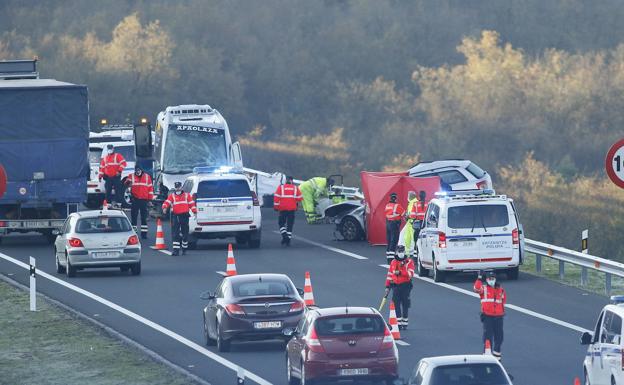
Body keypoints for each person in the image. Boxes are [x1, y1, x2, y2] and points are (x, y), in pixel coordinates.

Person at [474, 271, 506, 360]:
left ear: (495, 279)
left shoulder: (501, 290)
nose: (491, 280)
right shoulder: (483, 289)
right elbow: (476, 289)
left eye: (492, 279)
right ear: (486, 280)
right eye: (489, 279)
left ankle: (497, 358)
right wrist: (479, 278)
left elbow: (503, 301)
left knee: (499, 338)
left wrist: (501, 313)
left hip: (499, 317)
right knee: (488, 338)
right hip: (488, 317)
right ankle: (487, 357)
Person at [162, 182, 197, 256]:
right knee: (175, 233)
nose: (177, 188)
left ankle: (184, 249)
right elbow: (167, 202)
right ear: (175, 188)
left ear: (181, 187)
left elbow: (191, 204)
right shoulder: (172, 196)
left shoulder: (187, 195)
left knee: (185, 234)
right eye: (176, 187)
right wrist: (164, 208)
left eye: (179, 187)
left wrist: (194, 212)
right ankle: (176, 251)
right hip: (176, 216)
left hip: (184, 216)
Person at [384, 245, 414, 330]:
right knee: (396, 304)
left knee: (405, 304)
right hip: (395, 286)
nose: (401, 253)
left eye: (402, 251)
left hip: (406, 286)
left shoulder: (408, 262)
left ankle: (405, 322)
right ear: (396, 252)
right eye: (399, 251)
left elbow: (411, 274)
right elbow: (389, 275)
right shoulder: (393, 262)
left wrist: (401, 271)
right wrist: (387, 286)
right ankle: (398, 323)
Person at [124, 166, 154, 239]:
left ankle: (144, 234)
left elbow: (150, 189)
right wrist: (128, 182)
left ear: (141, 170)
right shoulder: (131, 176)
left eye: (139, 170)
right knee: (134, 217)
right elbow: (126, 183)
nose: (137, 172)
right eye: (136, 170)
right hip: (135, 199)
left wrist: (150, 200)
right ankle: (134, 234)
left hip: (144, 200)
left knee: (144, 217)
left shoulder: (147, 177)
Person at [273, 176, 303, 246]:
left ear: (285, 180)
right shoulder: (295, 188)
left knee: (281, 223)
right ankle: (288, 239)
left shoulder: (281, 187)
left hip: (282, 209)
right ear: (292, 181)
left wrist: (276, 207)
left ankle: (284, 236)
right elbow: (300, 198)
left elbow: (276, 198)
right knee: (290, 224)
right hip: (292, 209)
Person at [385, 192, 404, 263]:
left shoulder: (387, 205)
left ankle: (388, 257)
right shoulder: (397, 206)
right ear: (395, 198)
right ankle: (391, 259)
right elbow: (403, 214)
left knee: (389, 241)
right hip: (395, 224)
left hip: (388, 224)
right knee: (394, 241)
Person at [403, 191, 419, 257]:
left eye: (408, 196)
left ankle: (415, 255)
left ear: (410, 196)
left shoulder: (414, 203)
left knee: (414, 240)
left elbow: (412, 214)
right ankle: (407, 254)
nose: (407, 197)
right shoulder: (411, 203)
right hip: (409, 223)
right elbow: (409, 213)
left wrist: (407, 216)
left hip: (413, 223)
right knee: (407, 238)